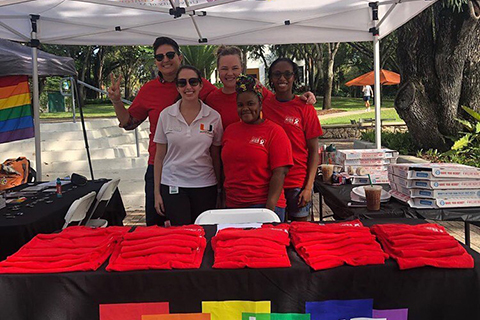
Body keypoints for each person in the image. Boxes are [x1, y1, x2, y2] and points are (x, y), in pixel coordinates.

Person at [108, 37, 216, 226]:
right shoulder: (149, 90)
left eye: (170, 55)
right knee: (157, 228)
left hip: (195, 171)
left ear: (180, 57)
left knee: (197, 227)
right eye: (159, 57)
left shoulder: (199, 85)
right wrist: (117, 101)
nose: (165, 60)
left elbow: (223, 106)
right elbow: (129, 123)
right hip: (159, 166)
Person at [153, 65, 223, 226]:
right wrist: (157, 193)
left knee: (204, 233)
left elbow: (215, 156)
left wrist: (219, 190)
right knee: (181, 234)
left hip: (205, 185)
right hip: (174, 183)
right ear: (177, 87)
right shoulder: (166, 115)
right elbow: (159, 157)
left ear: (200, 85)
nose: (188, 87)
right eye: (182, 83)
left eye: (193, 82)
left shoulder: (213, 117)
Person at [221, 75, 293, 221]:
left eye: (250, 104)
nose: (245, 108)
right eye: (240, 105)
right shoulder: (230, 130)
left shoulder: (274, 132)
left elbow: (280, 172)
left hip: (263, 206)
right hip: (233, 205)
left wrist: (269, 209)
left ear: (260, 105)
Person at [262, 58, 323, 221]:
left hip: (297, 182)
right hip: (271, 182)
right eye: (277, 74)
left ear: (294, 77)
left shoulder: (305, 107)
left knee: (301, 233)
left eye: (287, 74)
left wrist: (309, 187)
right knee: (273, 232)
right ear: (271, 78)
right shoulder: (264, 104)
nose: (282, 78)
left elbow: (313, 151)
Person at [206, 45, 317, 131]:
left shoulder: (255, 89)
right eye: (224, 69)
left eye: (235, 68)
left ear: (242, 69)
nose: (230, 73)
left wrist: (302, 98)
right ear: (218, 70)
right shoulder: (211, 99)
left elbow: (281, 102)